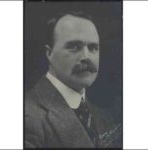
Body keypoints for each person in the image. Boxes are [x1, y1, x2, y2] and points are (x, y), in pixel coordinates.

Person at [25, 11, 122, 148]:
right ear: (49, 53)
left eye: (93, 48)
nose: (86, 56)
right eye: (74, 47)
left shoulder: (105, 117)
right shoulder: (27, 118)